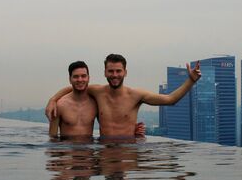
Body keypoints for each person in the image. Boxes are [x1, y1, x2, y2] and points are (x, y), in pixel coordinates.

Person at [46, 54, 200, 137]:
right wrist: (53, 99)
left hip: (128, 150)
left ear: (125, 72)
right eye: (111, 71)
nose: (115, 75)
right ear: (105, 72)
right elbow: (75, 87)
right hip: (103, 150)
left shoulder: (136, 94)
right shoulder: (98, 91)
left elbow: (170, 100)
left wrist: (191, 80)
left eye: (118, 71)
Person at [49, 61, 145, 139]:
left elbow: (110, 123)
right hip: (67, 155)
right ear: (70, 79)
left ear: (88, 78)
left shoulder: (95, 103)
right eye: (76, 77)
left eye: (83, 76)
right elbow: (52, 137)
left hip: (89, 155)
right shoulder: (59, 105)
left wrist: (131, 130)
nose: (80, 80)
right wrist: (52, 100)